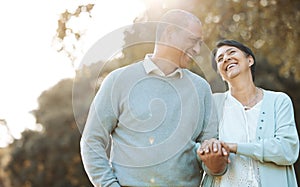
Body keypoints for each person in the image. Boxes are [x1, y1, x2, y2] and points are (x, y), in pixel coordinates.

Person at [80, 9, 229, 187]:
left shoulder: (201, 88)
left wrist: (215, 160)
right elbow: (92, 140)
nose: (197, 50)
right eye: (192, 41)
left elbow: (210, 157)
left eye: (199, 43)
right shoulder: (118, 80)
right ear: (169, 34)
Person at [198, 39, 299, 187]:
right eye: (220, 59)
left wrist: (234, 147)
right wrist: (211, 153)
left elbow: (288, 149)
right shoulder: (213, 104)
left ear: (250, 60)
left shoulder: (279, 101)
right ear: (220, 74)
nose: (226, 58)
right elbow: (207, 161)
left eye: (231, 52)